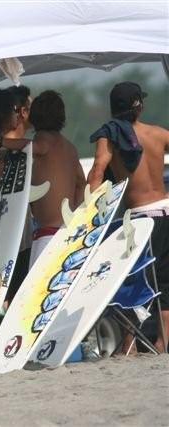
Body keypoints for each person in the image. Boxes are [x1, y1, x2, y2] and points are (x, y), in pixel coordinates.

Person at [87, 81, 169, 354]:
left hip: (141, 220)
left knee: (134, 281)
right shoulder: (158, 134)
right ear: (139, 106)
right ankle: (162, 344)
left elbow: (97, 171)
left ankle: (129, 346)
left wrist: (87, 212)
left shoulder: (111, 136)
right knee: (165, 282)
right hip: (166, 212)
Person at [28, 90, 86, 265]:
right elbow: (81, 183)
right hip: (68, 232)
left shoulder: (41, 142)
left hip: (47, 237)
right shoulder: (70, 148)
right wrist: (73, 215)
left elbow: (27, 146)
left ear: (33, 117)